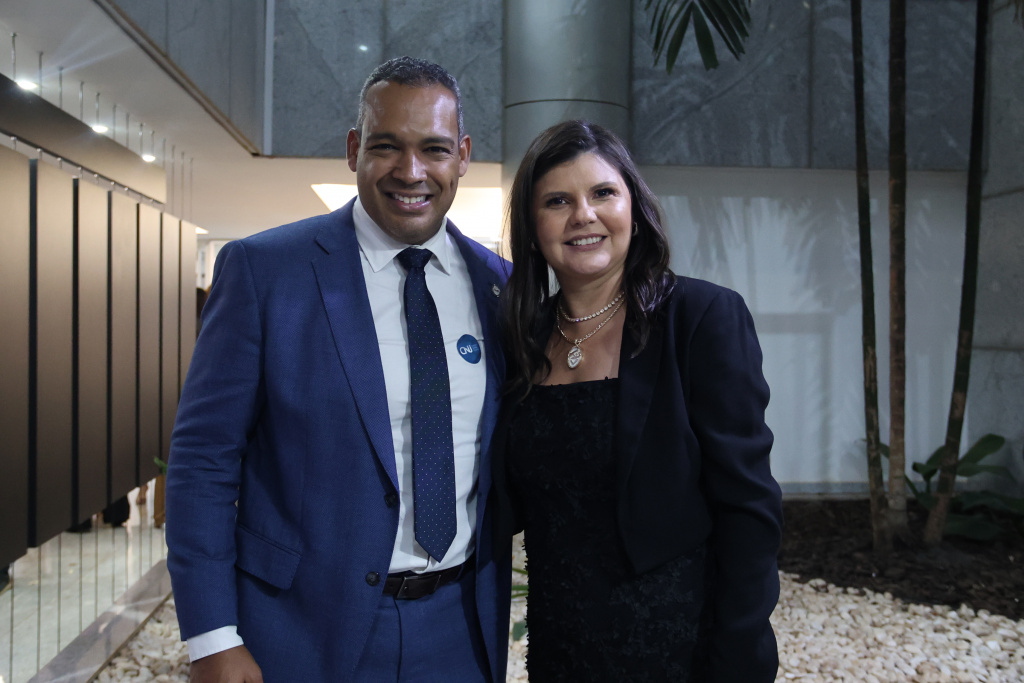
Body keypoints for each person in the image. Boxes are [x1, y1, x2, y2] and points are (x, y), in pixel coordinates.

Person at [166, 57, 511, 682]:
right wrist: (212, 636)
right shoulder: (265, 272)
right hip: (299, 630)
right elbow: (203, 461)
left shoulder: (500, 288)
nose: (411, 171)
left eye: (434, 149)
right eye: (387, 146)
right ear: (355, 149)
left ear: (462, 156)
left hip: (459, 632)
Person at [492, 120, 783, 682]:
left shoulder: (698, 318)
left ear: (635, 207)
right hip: (561, 645)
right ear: (532, 226)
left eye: (603, 193)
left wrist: (737, 660)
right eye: (557, 201)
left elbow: (749, 511)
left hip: (680, 649)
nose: (584, 215)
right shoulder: (521, 338)